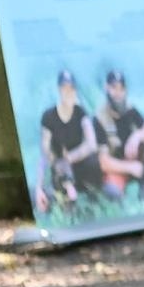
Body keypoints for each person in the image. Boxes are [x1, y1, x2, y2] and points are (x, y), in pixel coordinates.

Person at [36, 69, 103, 212]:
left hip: (79, 165)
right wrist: (39, 187)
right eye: (64, 88)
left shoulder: (80, 112)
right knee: (56, 200)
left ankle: (93, 199)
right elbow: (44, 151)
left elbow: (91, 143)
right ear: (59, 90)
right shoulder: (48, 117)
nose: (68, 92)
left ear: (75, 90)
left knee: (94, 161)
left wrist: (70, 158)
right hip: (59, 170)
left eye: (71, 88)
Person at [93, 70, 144, 200]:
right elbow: (104, 162)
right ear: (106, 88)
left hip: (134, 160)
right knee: (111, 190)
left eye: (121, 88)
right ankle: (124, 205)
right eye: (114, 88)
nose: (118, 93)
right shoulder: (99, 119)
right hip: (116, 167)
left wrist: (137, 136)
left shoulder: (131, 110)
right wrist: (130, 167)